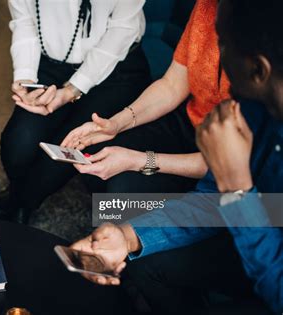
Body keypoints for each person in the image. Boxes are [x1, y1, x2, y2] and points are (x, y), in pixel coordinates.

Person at [71, 0, 283, 314]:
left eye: (223, 44)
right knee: (124, 219)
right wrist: (128, 237)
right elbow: (211, 197)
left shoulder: (245, 105)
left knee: (127, 196)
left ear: (258, 69)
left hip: (271, 268)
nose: (217, 55)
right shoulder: (255, 106)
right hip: (250, 210)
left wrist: (236, 190)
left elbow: (277, 289)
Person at [0, 0, 151, 224]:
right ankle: (20, 194)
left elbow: (120, 33)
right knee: (18, 142)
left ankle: (23, 201)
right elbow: (24, 22)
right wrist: (25, 77)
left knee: (65, 153)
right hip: (51, 62)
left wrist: (72, 89)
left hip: (117, 68)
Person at [59, 0, 229, 198]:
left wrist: (139, 161)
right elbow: (172, 85)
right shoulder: (206, 7)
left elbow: (233, 163)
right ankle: (116, 222)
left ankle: (126, 224)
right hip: (191, 121)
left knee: (124, 192)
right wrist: (116, 124)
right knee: (98, 154)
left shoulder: (266, 44)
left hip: (230, 159)